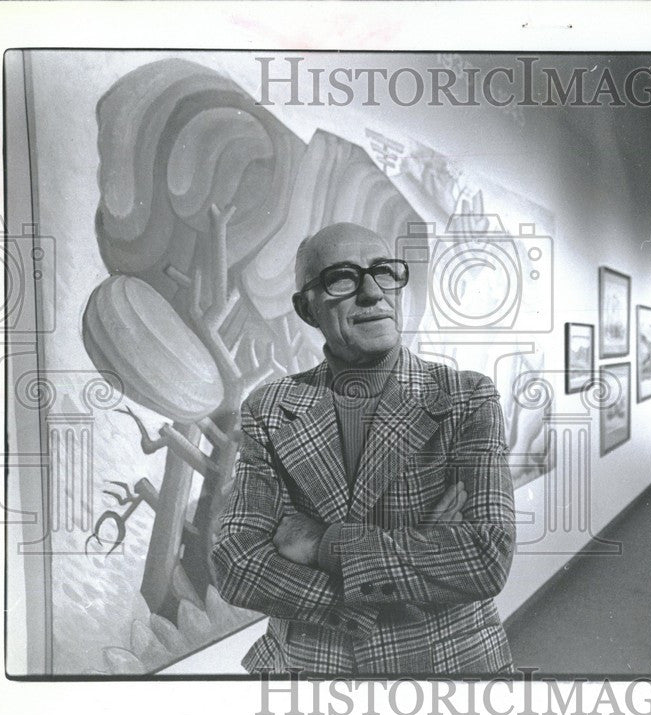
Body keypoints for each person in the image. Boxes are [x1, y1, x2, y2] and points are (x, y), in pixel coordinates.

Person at [212, 222, 516, 675]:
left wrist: (321, 544)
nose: (373, 292)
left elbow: (486, 556)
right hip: (311, 678)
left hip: (449, 673)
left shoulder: (466, 396)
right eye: (342, 278)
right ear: (306, 308)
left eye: (384, 272)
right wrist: (410, 568)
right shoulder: (271, 407)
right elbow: (235, 562)